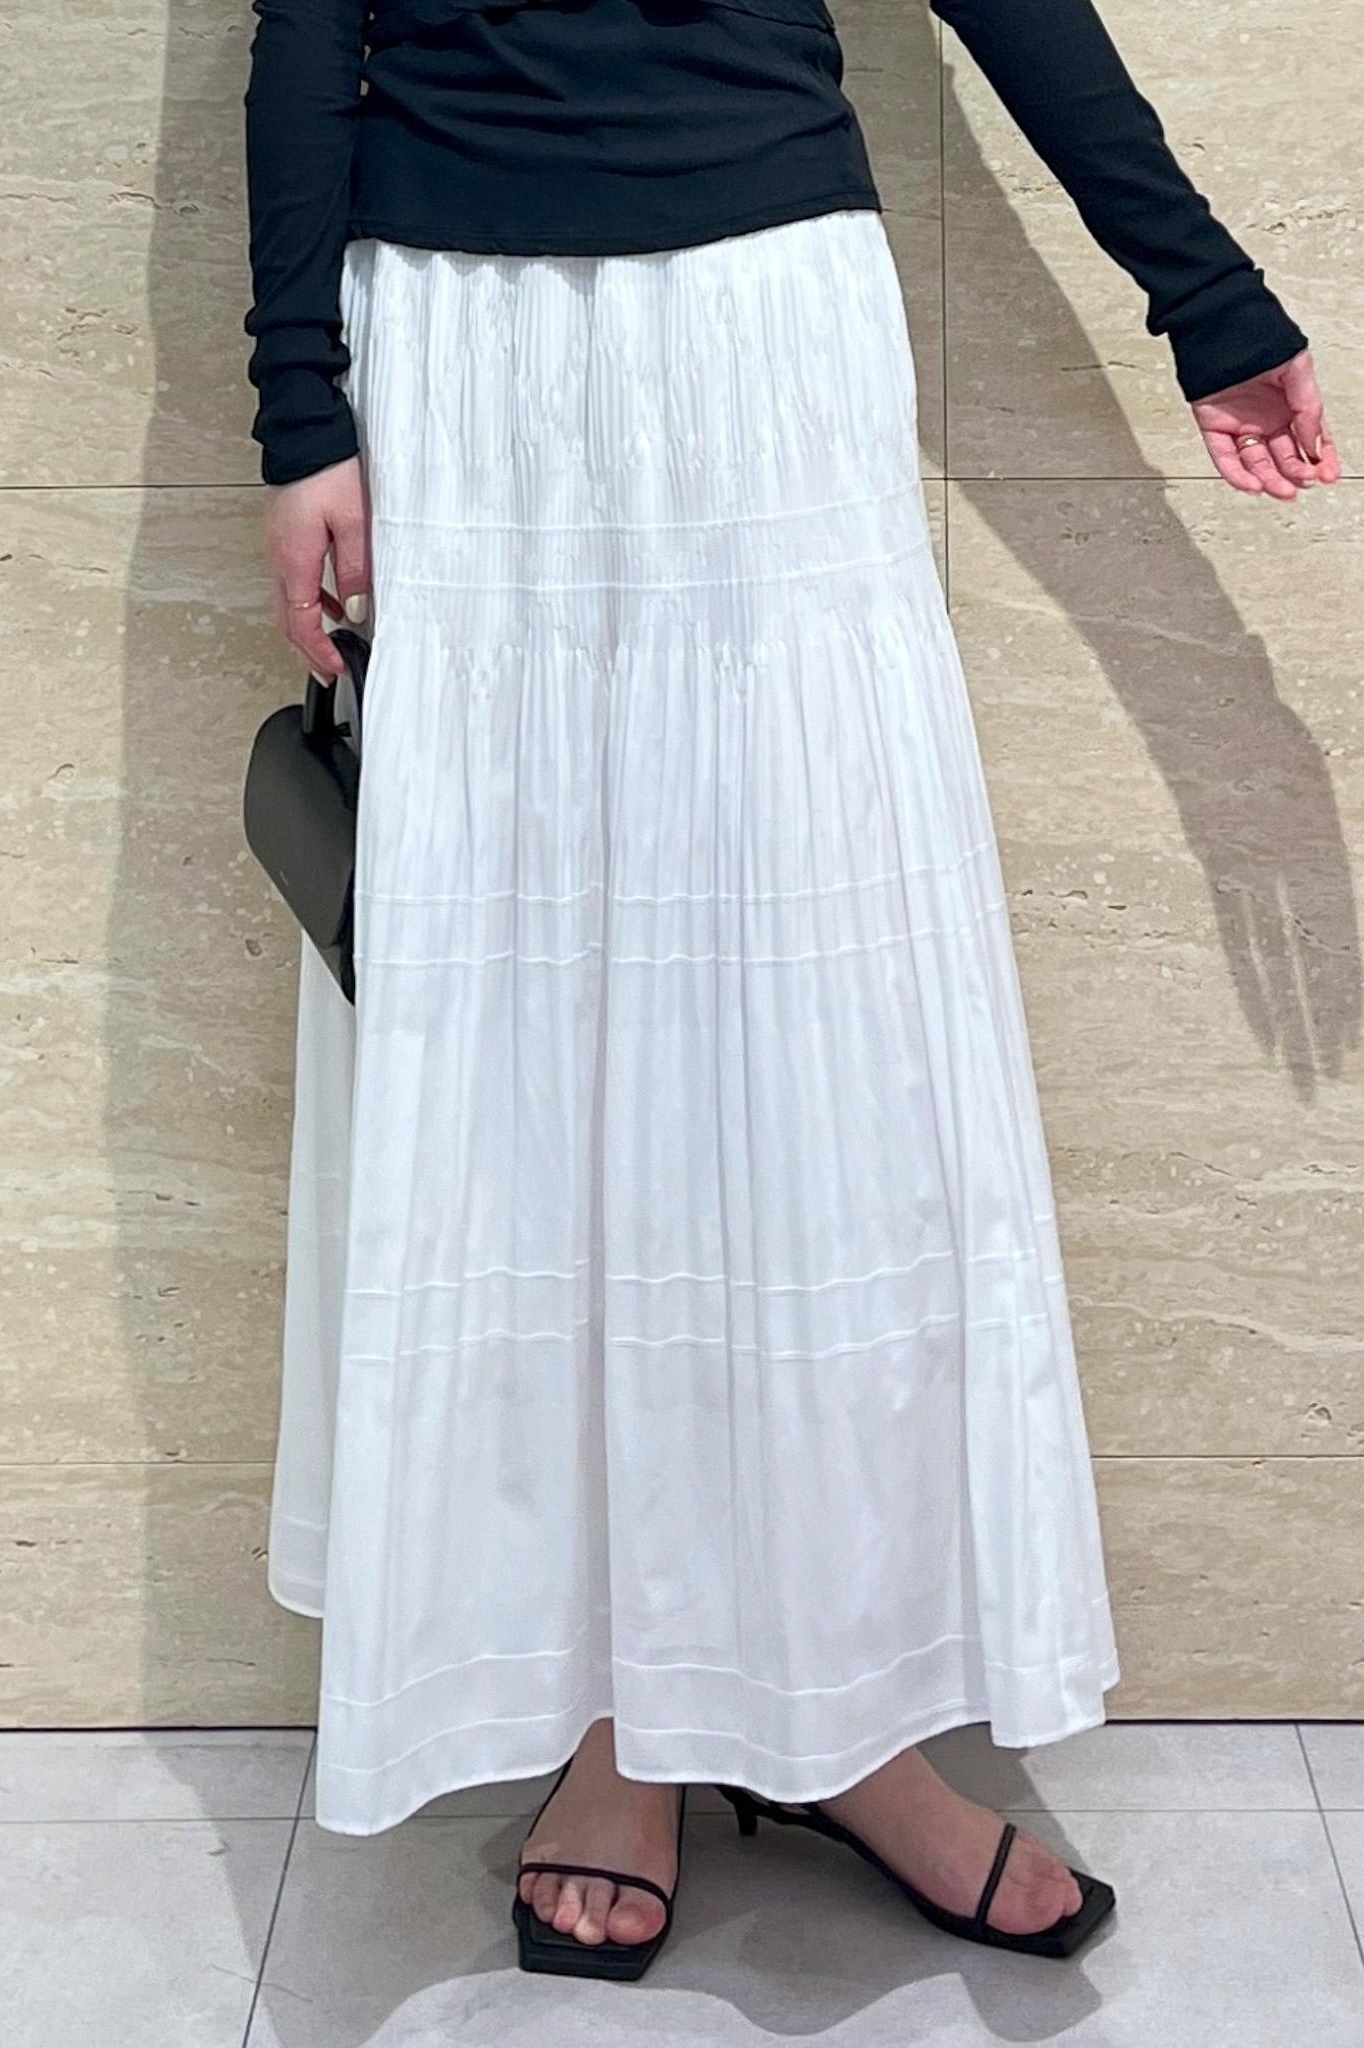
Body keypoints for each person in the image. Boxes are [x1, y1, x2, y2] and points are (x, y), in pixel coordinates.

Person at [241, 0, 1340, 1981]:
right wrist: (298, 409)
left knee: (815, 1053)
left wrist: (1199, 291)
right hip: (467, 353)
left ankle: (840, 1721)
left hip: (761, 320)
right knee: (537, 1053)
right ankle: (619, 1730)